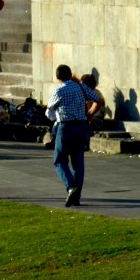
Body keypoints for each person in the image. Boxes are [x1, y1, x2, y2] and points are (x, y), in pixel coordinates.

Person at [46, 64, 102, 207]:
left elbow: (49, 110)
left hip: (66, 127)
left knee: (59, 160)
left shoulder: (59, 90)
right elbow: (98, 99)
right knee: (78, 163)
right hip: (81, 126)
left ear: (57, 77)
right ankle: (76, 197)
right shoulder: (81, 87)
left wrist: (55, 117)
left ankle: (71, 187)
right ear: (70, 74)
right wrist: (89, 115)